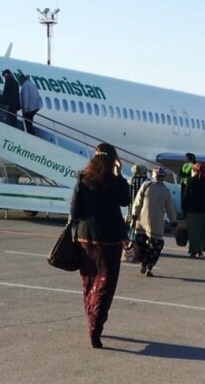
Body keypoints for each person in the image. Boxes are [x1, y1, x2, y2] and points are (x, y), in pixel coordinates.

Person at [69, 143, 130, 349]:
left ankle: (91, 320)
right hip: (110, 241)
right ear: (113, 160)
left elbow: (75, 211)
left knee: (88, 283)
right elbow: (125, 201)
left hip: (85, 238)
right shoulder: (115, 182)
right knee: (106, 285)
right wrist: (120, 173)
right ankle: (96, 326)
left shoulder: (83, 179)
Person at [131, 165, 177, 277]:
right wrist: (173, 222)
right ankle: (149, 267)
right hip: (155, 224)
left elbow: (137, 203)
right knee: (156, 246)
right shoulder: (166, 191)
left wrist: (133, 216)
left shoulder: (146, 186)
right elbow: (170, 209)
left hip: (141, 222)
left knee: (141, 244)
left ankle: (143, 263)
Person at [182, 162, 205, 258]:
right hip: (204, 212)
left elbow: (185, 197)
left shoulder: (190, 181)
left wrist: (183, 210)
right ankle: (200, 249)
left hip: (192, 211)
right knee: (202, 232)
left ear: (194, 171)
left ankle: (193, 250)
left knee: (192, 232)